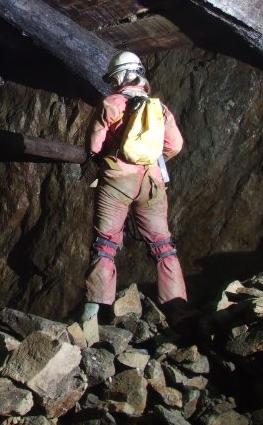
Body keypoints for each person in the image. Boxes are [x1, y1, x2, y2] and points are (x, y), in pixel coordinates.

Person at [81, 50, 189, 324]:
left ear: (119, 77)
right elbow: (175, 146)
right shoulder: (159, 108)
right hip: (152, 182)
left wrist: (108, 158)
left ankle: (95, 313)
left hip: (118, 180)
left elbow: (94, 146)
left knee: (105, 243)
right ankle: (177, 306)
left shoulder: (112, 103)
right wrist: (150, 160)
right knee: (162, 243)